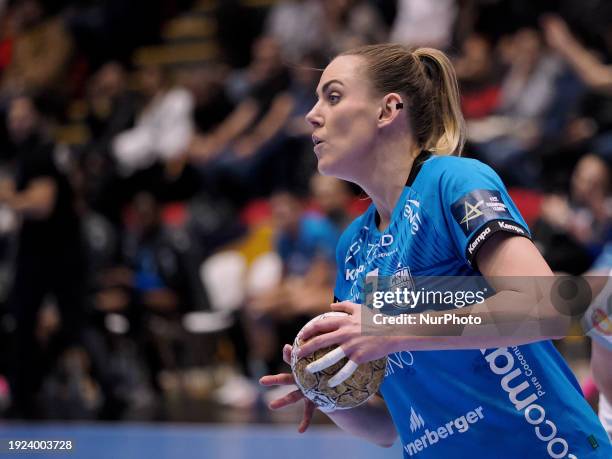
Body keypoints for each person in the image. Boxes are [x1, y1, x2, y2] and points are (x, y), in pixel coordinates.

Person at [260, 43, 612, 457]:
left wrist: (387, 330)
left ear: (387, 110)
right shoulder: (352, 247)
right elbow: (388, 425)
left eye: (333, 96)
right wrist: (328, 394)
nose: (311, 114)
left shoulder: (454, 182)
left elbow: (547, 308)